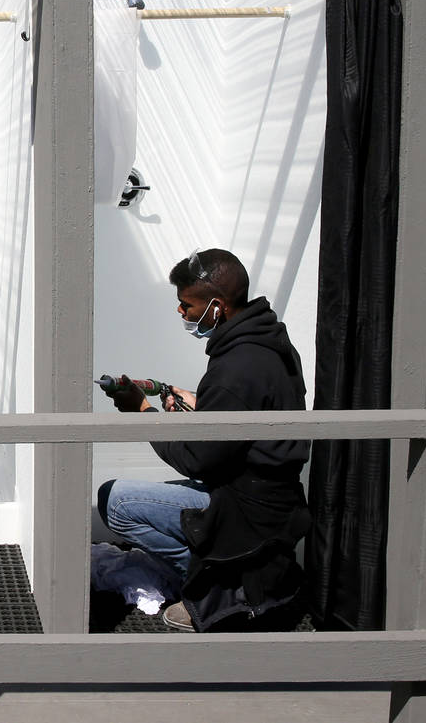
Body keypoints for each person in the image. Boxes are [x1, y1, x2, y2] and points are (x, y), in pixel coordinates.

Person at [97, 248, 310, 632]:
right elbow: (247, 419)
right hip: (272, 498)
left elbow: (197, 459)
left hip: (247, 509)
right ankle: (228, 576)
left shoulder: (237, 367)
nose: (182, 313)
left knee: (116, 501)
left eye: (186, 305)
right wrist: (201, 408)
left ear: (217, 306)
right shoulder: (269, 342)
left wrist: (140, 413)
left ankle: (220, 590)